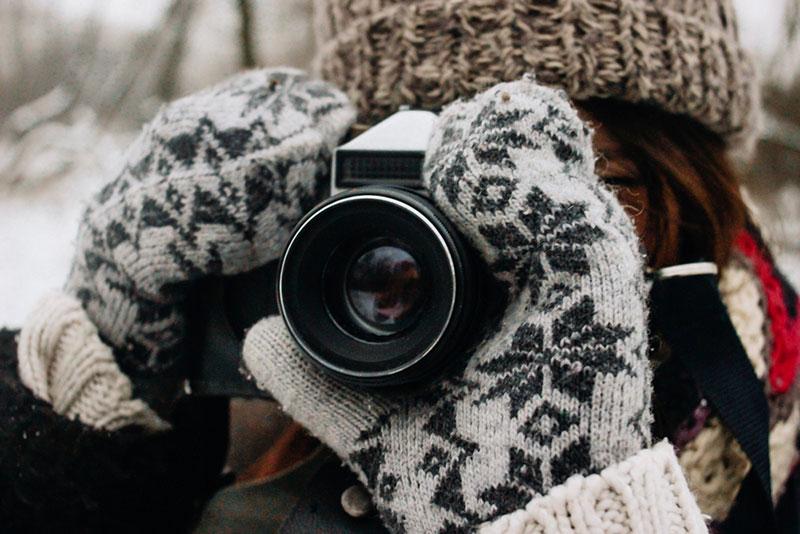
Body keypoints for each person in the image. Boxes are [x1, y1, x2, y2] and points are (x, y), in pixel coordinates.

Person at [1, 1, 798, 533]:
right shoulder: (259, 396)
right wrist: (93, 408)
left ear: (697, 194)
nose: (468, 253)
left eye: (571, 185)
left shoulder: (776, 442)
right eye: (421, 185)